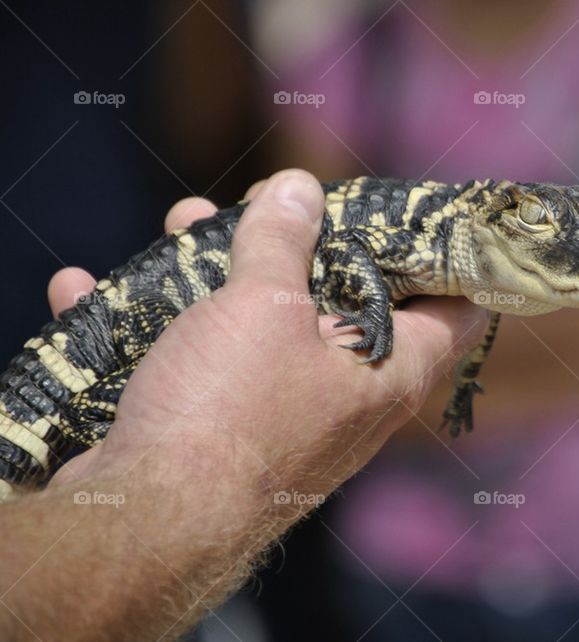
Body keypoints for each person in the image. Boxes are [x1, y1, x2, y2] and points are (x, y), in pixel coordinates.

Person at [0, 169, 485, 641]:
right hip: (124, 323)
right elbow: (350, 245)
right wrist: (182, 465)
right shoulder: (433, 240)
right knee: (85, 412)